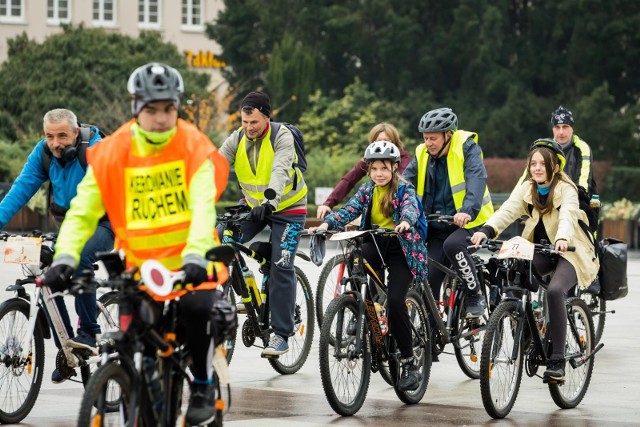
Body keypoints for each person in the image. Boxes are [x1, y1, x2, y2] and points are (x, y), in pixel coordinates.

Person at [42, 63, 226, 426]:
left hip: (193, 260)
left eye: (168, 109)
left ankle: (203, 385)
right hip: (142, 267)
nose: (161, 119)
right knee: (131, 335)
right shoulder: (114, 151)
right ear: (135, 108)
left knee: (198, 311)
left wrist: (194, 255)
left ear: (177, 108)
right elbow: (82, 210)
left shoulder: (193, 145)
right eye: (151, 109)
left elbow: (204, 207)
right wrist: (65, 257)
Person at [0, 108, 114, 383]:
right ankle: (67, 348)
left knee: (81, 256)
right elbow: (21, 188)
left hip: (104, 222)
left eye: (62, 135)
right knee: (46, 277)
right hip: (69, 226)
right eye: (50, 136)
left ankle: (88, 333)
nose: (56, 143)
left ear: (75, 133)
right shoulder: (44, 154)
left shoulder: (95, 151)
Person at [470, 138, 599, 382]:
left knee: (555, 291)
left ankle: (557, 360)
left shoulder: (566, 188)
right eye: (533, 164)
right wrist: (486, 230)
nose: (537, 168)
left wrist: (561, 238)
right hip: (540, 248)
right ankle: (528, 328)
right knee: (513, 274)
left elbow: (568, 217)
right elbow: (508, 210)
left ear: (555, 167)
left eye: (543, 164)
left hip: (571, 249)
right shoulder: (528, 187)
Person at [309, 140, 428, 391]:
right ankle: (363, 309)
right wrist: (326, 225)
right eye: (373, 169)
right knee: (357, 263)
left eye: (384, 168)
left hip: (401, 248)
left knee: (396, 301)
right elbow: (347, 211)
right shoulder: (367, 190)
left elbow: (410, 209)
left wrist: (406, 222)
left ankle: (408, 363)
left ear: (395, 168)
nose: (379, 174)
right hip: (377, 242)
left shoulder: (404, 190)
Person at [218, 91, 307, 357]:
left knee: (281, 265)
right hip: (254, 206)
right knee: (220, 237)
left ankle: (281, 334)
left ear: (267, 117)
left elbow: (280, 170)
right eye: (245, 122)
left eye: (254, 122)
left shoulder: (282, 136)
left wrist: (270, 200)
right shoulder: (237, 138)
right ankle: (238, 292)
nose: (249, 128)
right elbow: (215, 165)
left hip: (288, 207)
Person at [402, 107, 493, 317]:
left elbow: (476, 179)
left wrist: (467, 210)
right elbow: (404, 183)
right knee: (429, 278)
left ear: (448, 135)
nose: (428, 143)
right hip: (439, 225)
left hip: (472, 223)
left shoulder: (467, 147)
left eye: (433, 138)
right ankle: (432, 337)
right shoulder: (422, 153)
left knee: (454, 245)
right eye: (425, 138)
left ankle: (475, 293)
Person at [316, 122, 412, 219]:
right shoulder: (366, 184)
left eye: (387, 141)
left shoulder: (403, 159)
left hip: (399, 211)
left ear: (394, 142)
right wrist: (328, 203)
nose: (379, 174)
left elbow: (404, 183)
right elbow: (348, 180)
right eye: (378, 142)